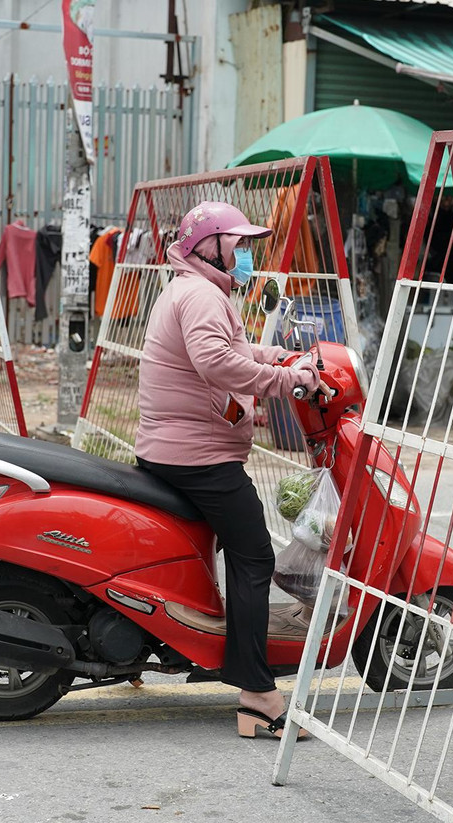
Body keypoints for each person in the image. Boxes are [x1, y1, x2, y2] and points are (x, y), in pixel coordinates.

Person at [134, 201, 325, 740]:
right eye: (238, 244)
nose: (245, 255)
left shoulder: (194, 289)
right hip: (197, 458)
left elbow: (230, 349)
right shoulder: (201, 295)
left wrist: (275, 355)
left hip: (180, 449)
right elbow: (215, 362)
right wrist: (288, 381)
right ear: (208, 247)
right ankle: (257, 694)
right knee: (254, 555)